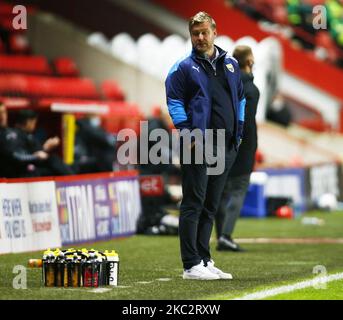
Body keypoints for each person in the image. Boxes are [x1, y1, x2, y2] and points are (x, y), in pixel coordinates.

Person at [165, 12, 246, 280]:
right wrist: (187, 133)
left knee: (211, 204)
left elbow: (241, 98)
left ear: (214, 31)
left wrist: (240, 131)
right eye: (195, 33)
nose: (200, 37)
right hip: (197, 144)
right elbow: (174, 101)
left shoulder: (232, 64)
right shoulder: (183, 67)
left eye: (204, 32)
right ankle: (190, 265)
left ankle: (204, 258)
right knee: (193, 202)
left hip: (225, 144)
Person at [214, 46, 260, 252]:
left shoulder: (224, 83)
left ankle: (219, 235)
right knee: (238, 189)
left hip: (221, 142)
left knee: (221, 191)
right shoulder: (251, 90)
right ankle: (226, 235)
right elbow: (246, 123)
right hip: (241, 145)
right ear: (249, 60)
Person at [1, 108, 73, 178]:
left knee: (54, 160)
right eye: (34, 122)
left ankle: (73, 179)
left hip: (31, 166)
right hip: (19, 171)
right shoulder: (13, 134)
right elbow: (17, 156)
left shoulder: (28, 135)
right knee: (50, 161)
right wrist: (36, 156)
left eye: (4, 112)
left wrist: (45, 148)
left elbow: (38, 151)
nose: (2, 116)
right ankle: (73, 180)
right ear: (29, 122)